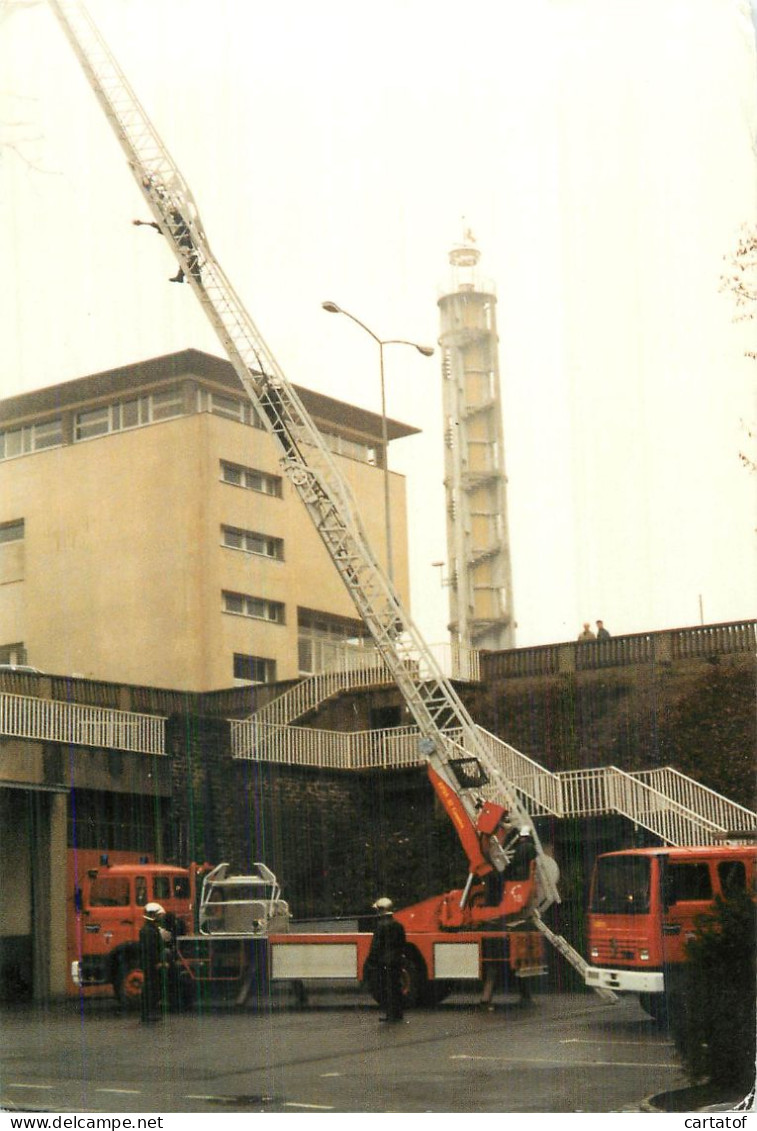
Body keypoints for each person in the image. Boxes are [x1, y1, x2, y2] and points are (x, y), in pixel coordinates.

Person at [365, 897, 407, 1023]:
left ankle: (390, 1015)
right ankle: (398, 1014)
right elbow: (402, 943)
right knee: (396, 987)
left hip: (384, 962)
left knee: (386, 989)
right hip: (397, 961)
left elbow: (376, 946)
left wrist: (371, 961)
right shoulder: (399, 925)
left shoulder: (380, 926)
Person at [139, 902, 168, 1022]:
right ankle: (148, 1014)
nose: (161, 918)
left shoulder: (150, 929)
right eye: (159, 915)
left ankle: (149, 1014)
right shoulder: (149, 931)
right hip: (150, 964)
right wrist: (158, 962)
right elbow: (151, 949)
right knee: (151, 989)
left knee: (152, 988)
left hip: (149, 964)